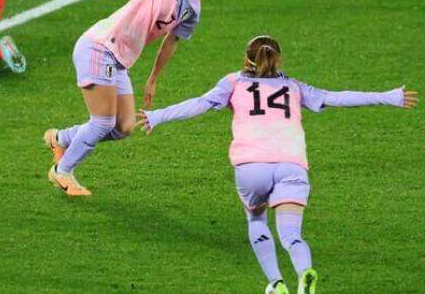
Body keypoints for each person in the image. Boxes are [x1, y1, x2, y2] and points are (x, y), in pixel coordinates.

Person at [138, 35, 418, 294]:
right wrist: (389, 96)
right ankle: (304, 272)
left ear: (247, 59)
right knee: (291, 235)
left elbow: (198, 104)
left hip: (251, 168)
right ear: (278, 59)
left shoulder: (233, 83)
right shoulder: (293, 87)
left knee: (257, 219)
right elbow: (337, 97)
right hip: (291, 166)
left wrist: (157, 116)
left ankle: (276, 283)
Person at [43, 0, 220, 196]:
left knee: (123, 127)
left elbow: (172, 41)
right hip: (100, 45)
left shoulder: (193, 8)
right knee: (101, 122)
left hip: (120, 59)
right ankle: (62, 170)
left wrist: (153, 78)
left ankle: (60, 138)